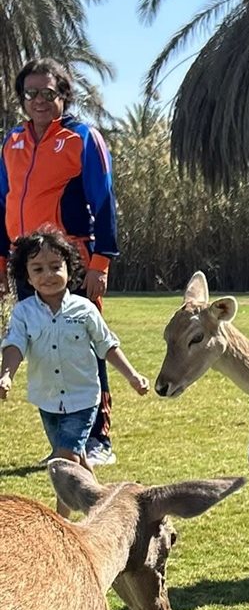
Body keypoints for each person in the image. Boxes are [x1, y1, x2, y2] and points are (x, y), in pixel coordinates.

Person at [0, 57, 121, 465]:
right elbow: (3, 203)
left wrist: (99, 263)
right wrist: (2, 262)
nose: (38, 100)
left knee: (85, 345)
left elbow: (104, 202)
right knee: (41, 346)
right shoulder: (11, 142)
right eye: (30, 93)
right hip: (25, 261)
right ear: (22, 98)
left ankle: (97, 438)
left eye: (47, 93)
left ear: (63, 96)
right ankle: (62, 440)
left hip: (70, 260)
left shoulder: (81, 137)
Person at [0, 228, 149, 493]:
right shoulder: (24, 313)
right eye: (38, 269)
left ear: (70, 268)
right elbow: (15, 345)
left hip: (83, 398)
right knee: (76, 458)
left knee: (63, 460)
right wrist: (6, 375)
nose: (48, 275)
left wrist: (133, 376)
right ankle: (102, 500)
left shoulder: (85, 309)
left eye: (55, 266)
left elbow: (108, 346)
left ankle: (63, 522)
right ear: (28, 277)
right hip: (46, 399)